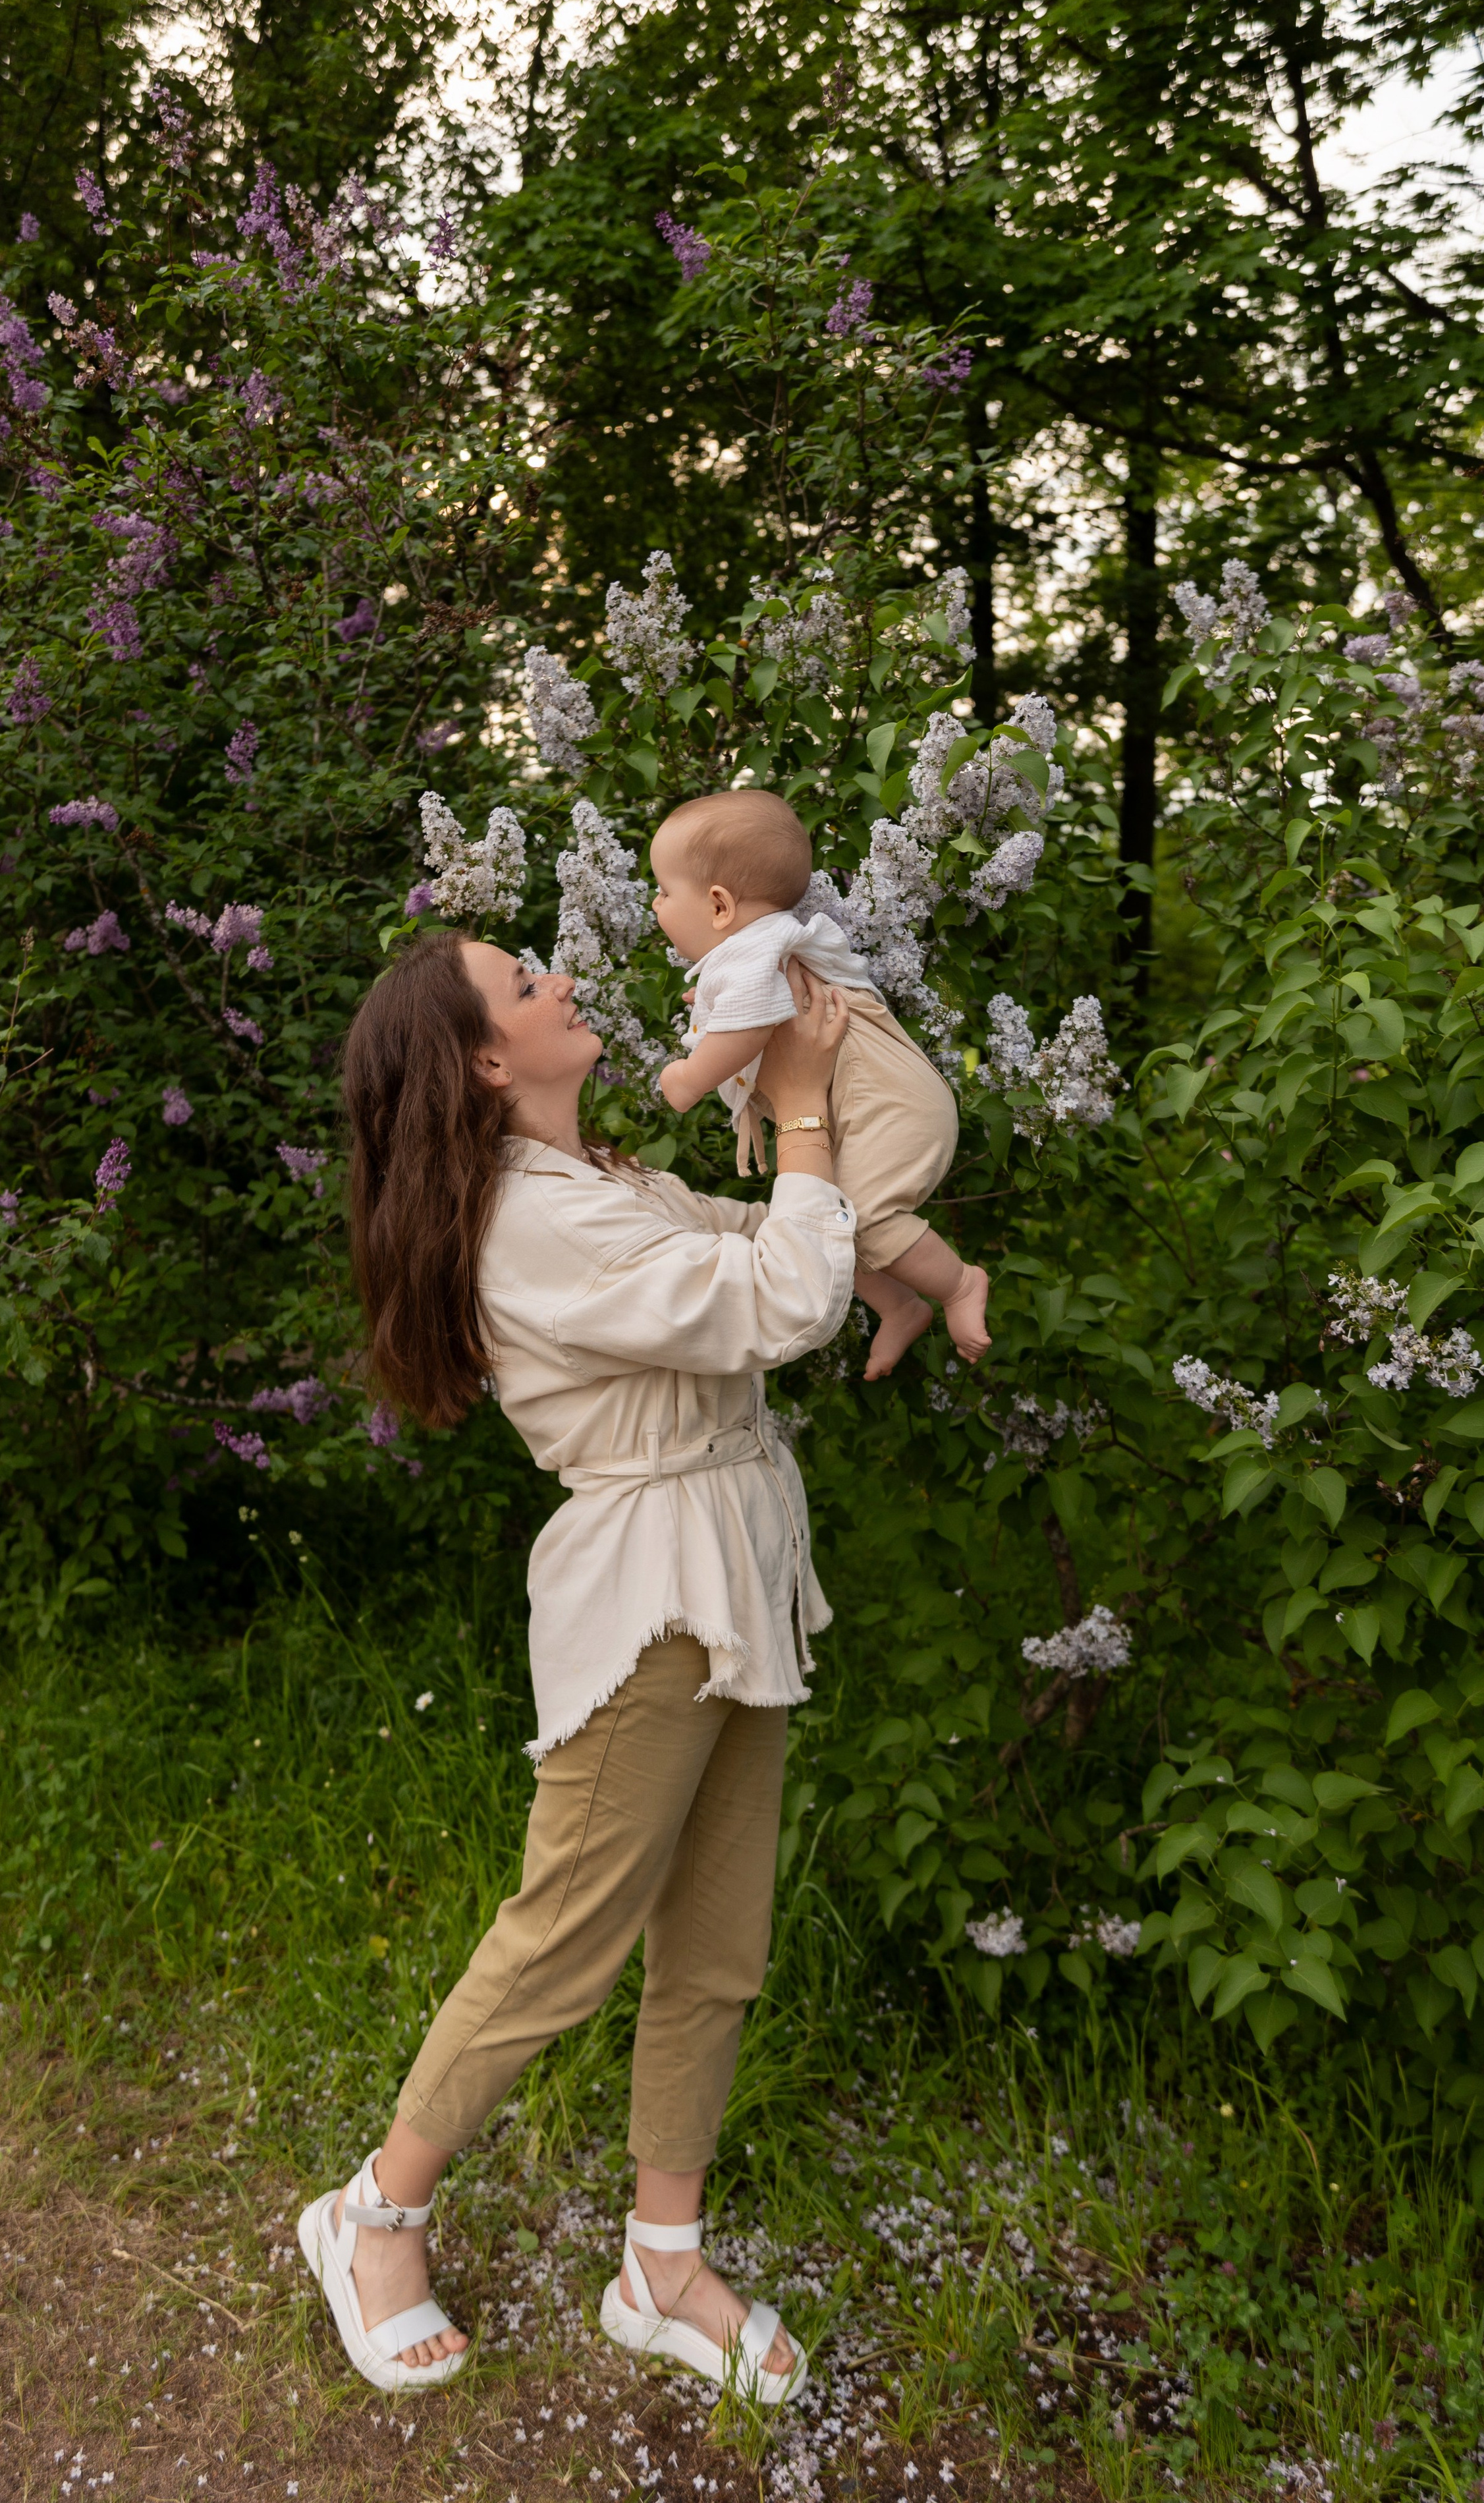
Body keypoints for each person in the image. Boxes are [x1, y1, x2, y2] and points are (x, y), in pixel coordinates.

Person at [300, 930, 856, 2401]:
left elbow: (753, 1246)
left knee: (716, 1941)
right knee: (566, 1936)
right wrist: (799, 1106)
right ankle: (373, 2212)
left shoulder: (594, 1182)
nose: (559, 978)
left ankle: (659, 2265)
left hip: (732, 1558)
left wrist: (849, 1196)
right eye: (524, 979)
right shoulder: (527, 1222)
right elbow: (789, 1300)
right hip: (653, 1597)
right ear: (486, 1057)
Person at [653, 789, 991, 1382]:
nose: (655, 904)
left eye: (662, 890)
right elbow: (747, 1013)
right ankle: (899, 1304)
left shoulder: (755, 953)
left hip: (892, 1104)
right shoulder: (758, 949)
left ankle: (961, 1284)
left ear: (718, 905)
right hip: (875, 1098)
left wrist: (687, 1076)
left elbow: (749, 1025)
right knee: (831, 1214)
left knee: (873, 1217)